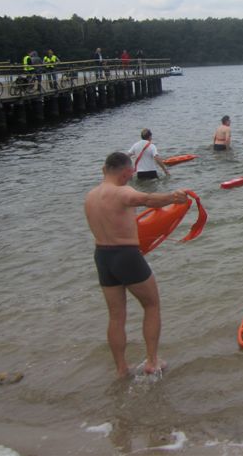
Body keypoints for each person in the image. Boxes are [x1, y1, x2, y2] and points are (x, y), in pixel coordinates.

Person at [85, 151, 187, 378]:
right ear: (125, 172)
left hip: (102, 257)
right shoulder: (122, 191)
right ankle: (152, 361)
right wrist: (174, 197)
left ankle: (121, 369)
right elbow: (146, 199)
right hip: (126, 255)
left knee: (116, 315)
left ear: (104, 169)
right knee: (151, 306)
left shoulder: (90, 196)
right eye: (130, 173)